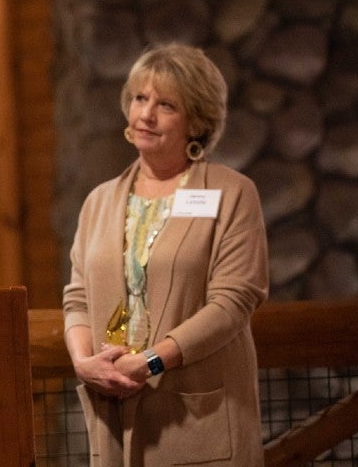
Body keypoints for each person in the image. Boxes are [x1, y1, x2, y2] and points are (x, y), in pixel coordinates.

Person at [62, 43, 269, 466]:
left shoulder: (232, 193)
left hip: (198, 415)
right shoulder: (99, 201)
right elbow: (77, 299)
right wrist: (84, 363)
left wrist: (151, 362)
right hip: (114, 408)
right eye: (140, 98)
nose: (145, 115)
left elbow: (233, 303)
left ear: (196, 121)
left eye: (166, 105)